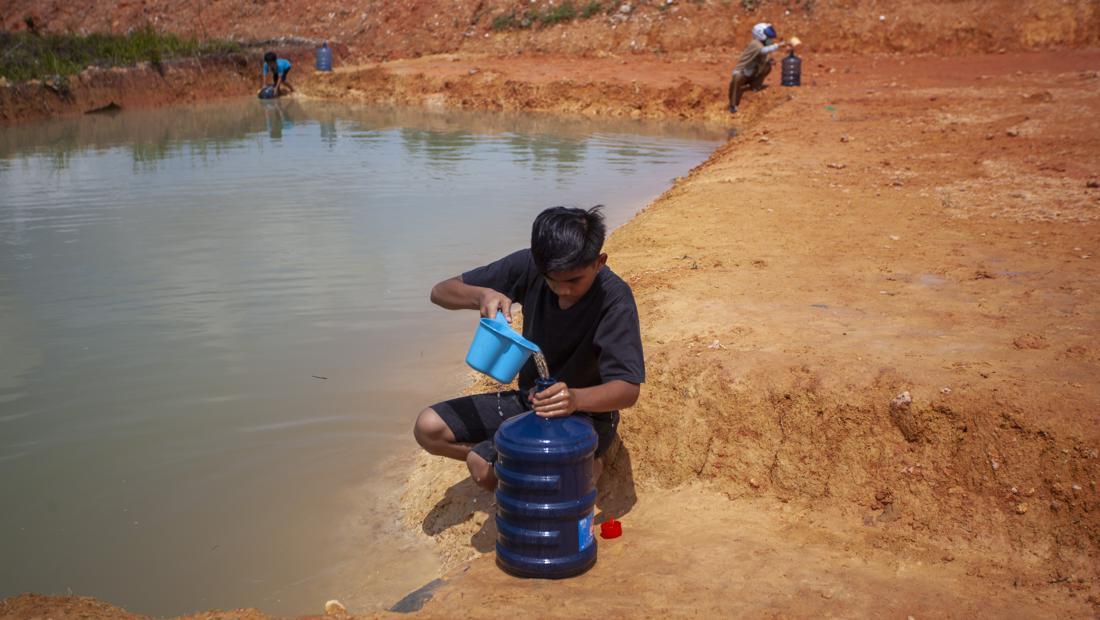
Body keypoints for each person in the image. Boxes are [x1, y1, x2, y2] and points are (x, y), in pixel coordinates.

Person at [414, 206, 645, 492]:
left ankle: (578, 463)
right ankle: (522, 464)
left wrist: (573, 398)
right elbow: (441, 292)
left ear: (599, 262)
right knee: (428, 427)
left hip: (588, 414)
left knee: (491, 470)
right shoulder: (529, 265)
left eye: (574, 280)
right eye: (552, 281)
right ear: (539, 265)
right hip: (530, 403)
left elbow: (627, 390)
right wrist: (481, 295)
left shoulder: (614, 298)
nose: (563, 290)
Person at [728, 22, 790, 113]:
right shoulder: (755, 44)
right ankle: (733, 105)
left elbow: (762, 57)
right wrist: (778, 45)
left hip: (752, 72)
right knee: (737, 79)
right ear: (760, 34)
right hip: (743, 73)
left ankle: (755, 86)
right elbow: (763, 51)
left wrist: (770, 61)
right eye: (768, 37)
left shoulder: (762, 45)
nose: (770, 40)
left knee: (767, 67)